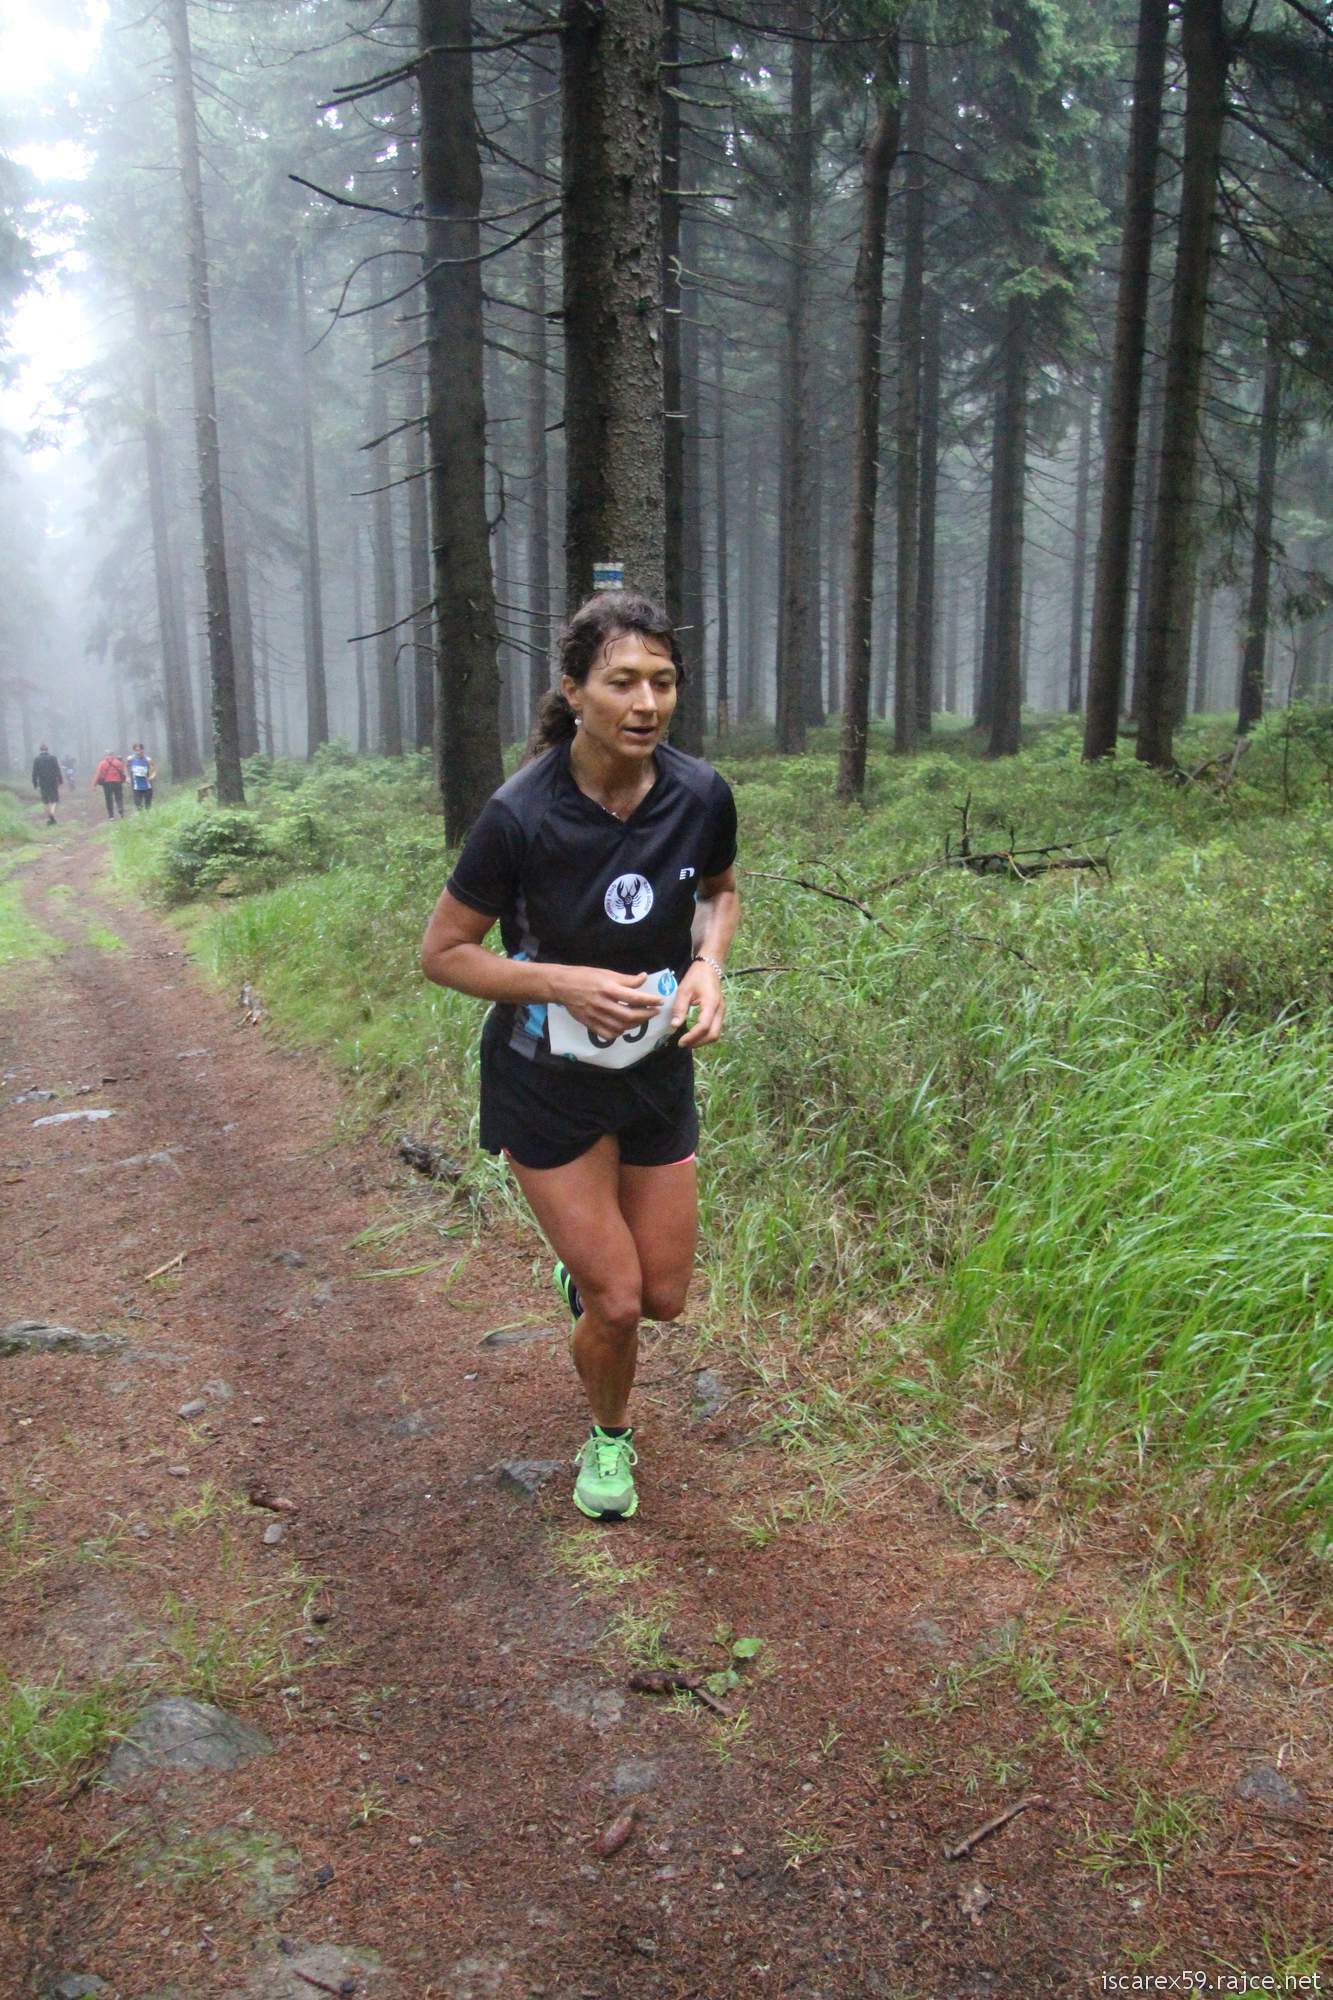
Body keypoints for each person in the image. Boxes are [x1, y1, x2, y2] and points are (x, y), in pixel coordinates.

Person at [420, 589, 739, 1521]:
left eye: (662, 682)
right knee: (620, 1304)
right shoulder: (519, 814)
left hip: (654, 1073)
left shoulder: (700, 793)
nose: (645, 703)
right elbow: (443, 954)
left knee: (664, 1296)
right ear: (573, 690)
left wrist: (708, 966)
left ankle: (587, 1276)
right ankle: (608, 1436)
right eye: (621, 682)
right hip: (544, 1082)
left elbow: (718, 892)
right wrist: (560, 983)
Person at [31, 744, 62, 826]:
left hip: (43, 782)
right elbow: (57, 769)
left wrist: (34, 783)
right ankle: (52, 813)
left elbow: (34, 772)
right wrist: (60, 780)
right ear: (47, 750)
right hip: (53, 781)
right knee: (54, 799)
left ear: (40, 750)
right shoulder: (53, 758)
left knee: (45, 800)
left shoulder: (37, 759)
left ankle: (49, 817)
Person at [91, 750, 127, 819]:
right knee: (119, 798)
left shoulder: (102, 763)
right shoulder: (118, 762)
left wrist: (94, 785)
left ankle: (111, 816)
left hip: (107, 783)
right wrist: (126, 780)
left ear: (105, 755)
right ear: (113, 755)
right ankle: (121, 811)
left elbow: (98, 774)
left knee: (109, 800)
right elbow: (123, 772)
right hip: (117, 782)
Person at [126, 742, 156, 810]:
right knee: (138, 805)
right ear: (134, 751)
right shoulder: (130, 759)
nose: (138, 752)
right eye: (136, 750)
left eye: (140, 750)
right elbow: (126, 767)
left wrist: (152, 776)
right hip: (136, 786)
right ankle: (141, 815)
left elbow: (154, 770)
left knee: (148, 806)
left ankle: (148, 815)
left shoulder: (148, 759)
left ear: (143, 750)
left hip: (147, 786)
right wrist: (127, 777)